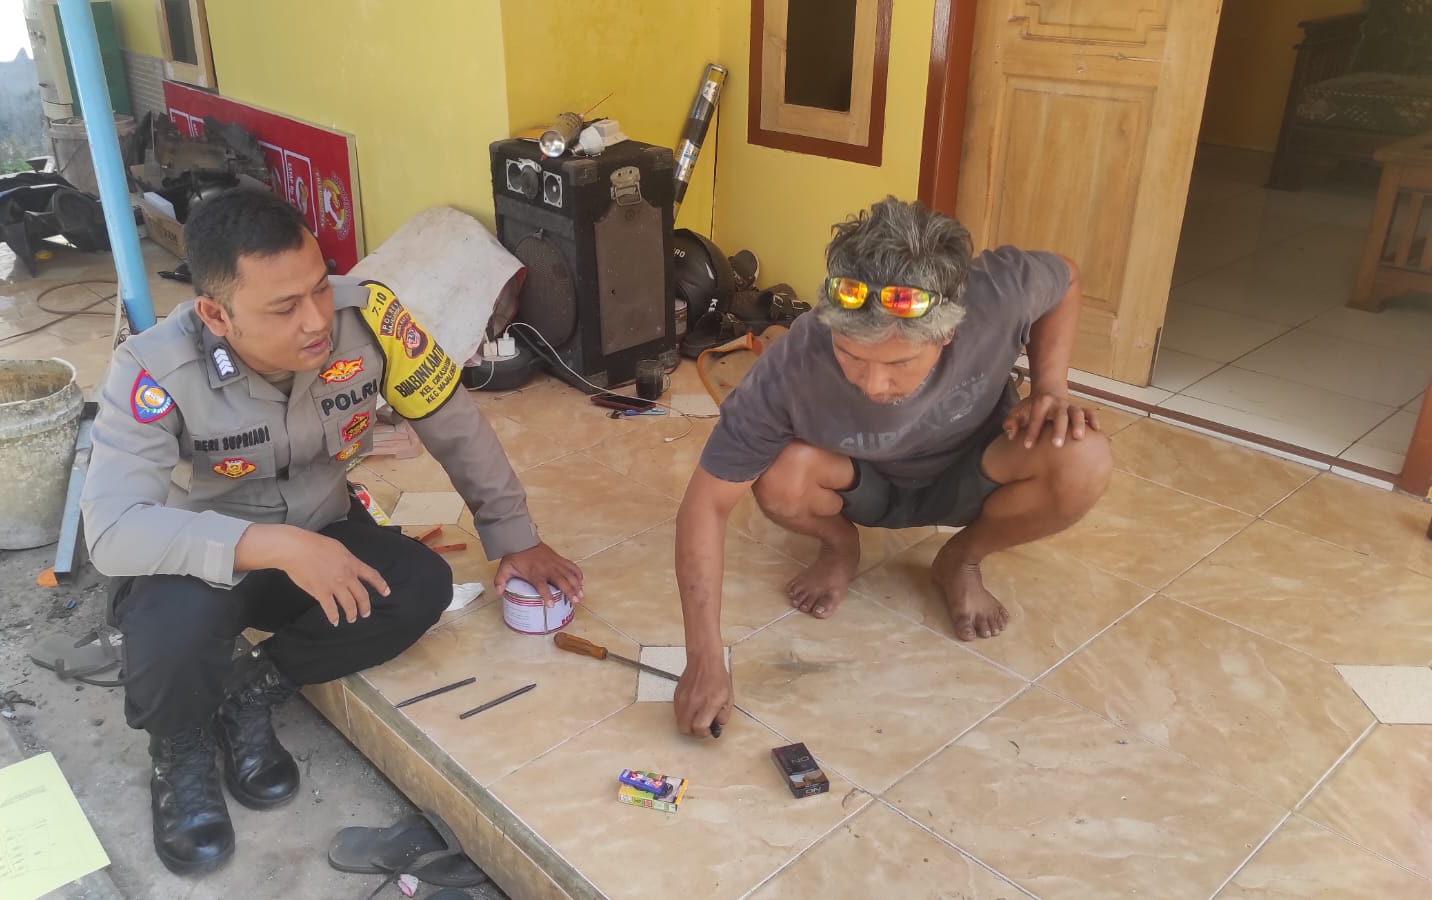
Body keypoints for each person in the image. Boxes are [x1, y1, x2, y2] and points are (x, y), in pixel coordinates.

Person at [80, 189, 582, 874]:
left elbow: (455, 424)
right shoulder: (151, 369)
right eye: (284, 307)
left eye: (319, 286)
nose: (316, 319)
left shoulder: (372, 317)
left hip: (322, 529)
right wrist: (278, 547)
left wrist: (513, 533)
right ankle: (180, 751)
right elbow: (112, 528)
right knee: (167, 625)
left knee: (419, 585)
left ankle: (249, 694)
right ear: (216, 315)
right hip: (205, 562)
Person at [671, 197, 1111, 738]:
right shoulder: (792, 365)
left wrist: (1050, 389)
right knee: (781, 472)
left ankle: (963, 558)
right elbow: (706, 504)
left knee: (1084, 456)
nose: (874, 384)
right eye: (851, 356)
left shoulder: (994, 295)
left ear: (949, 331)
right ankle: (840, 546)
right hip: (863, 483)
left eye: (900, 362)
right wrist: (705, 657)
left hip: (974, 470)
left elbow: (1065, 279)